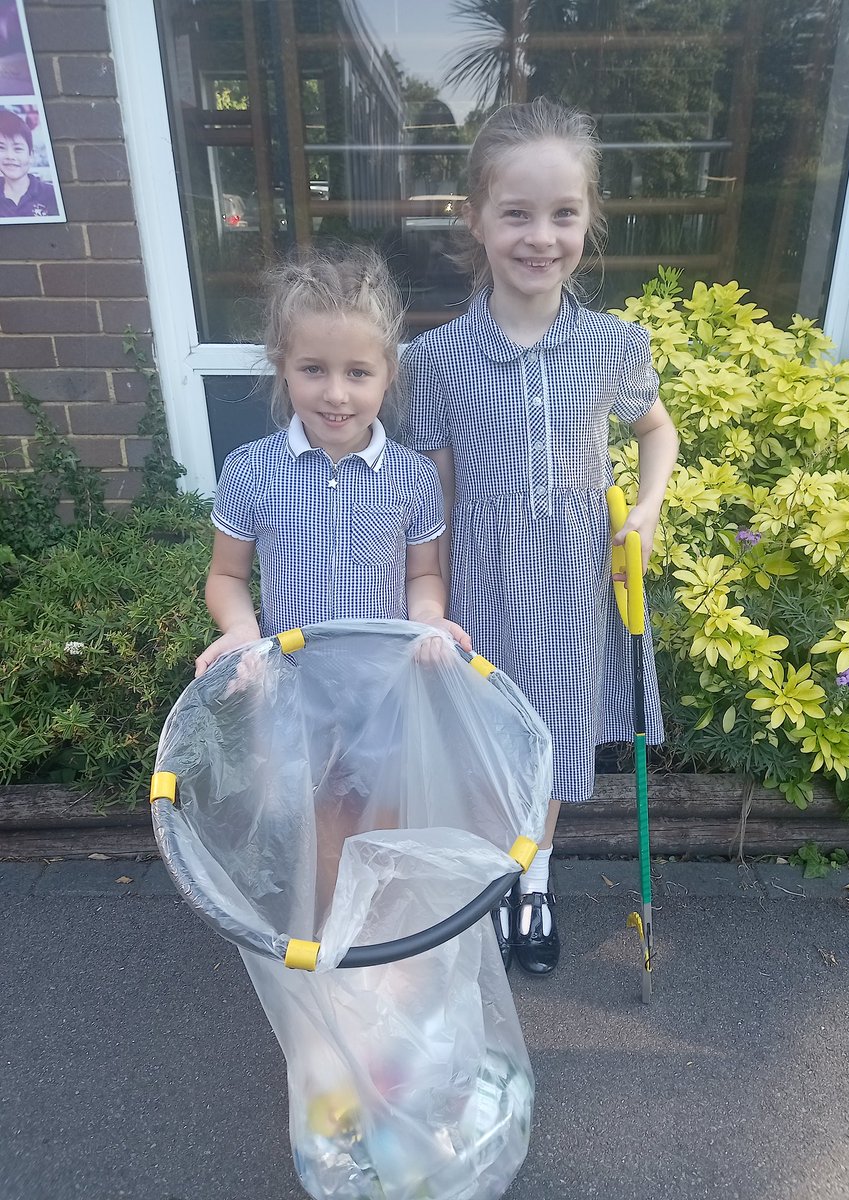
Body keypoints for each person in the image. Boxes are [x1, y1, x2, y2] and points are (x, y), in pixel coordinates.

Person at [400, 98, 679, 975]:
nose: (540, 236)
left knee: (550, 739)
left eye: (563, 213)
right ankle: (486, 872)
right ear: (475, 219)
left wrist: (647, 506)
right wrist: (426, 595)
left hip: (570, 585)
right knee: (482, 741)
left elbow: (656, 431)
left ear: (589, 219)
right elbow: (431, 495)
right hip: (479, 585)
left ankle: (533, 879)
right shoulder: (434, 361)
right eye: (516, 213)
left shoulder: (612, 344)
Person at [195, 244, 470, 679]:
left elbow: (424, 574)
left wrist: (429, 619)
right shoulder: (249, 470)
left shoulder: (415, 476)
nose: (336, 394)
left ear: (388, 373)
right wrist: (242, 630)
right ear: (282, 365)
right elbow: (227, 574)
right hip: (287, 683)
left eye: (358, 372)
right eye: (313, 369)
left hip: (383, 685)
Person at [0, 109, 58, 219]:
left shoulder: (52, 195)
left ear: (31, 155)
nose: (10, 156)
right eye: (1, 148)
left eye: (18, 148)